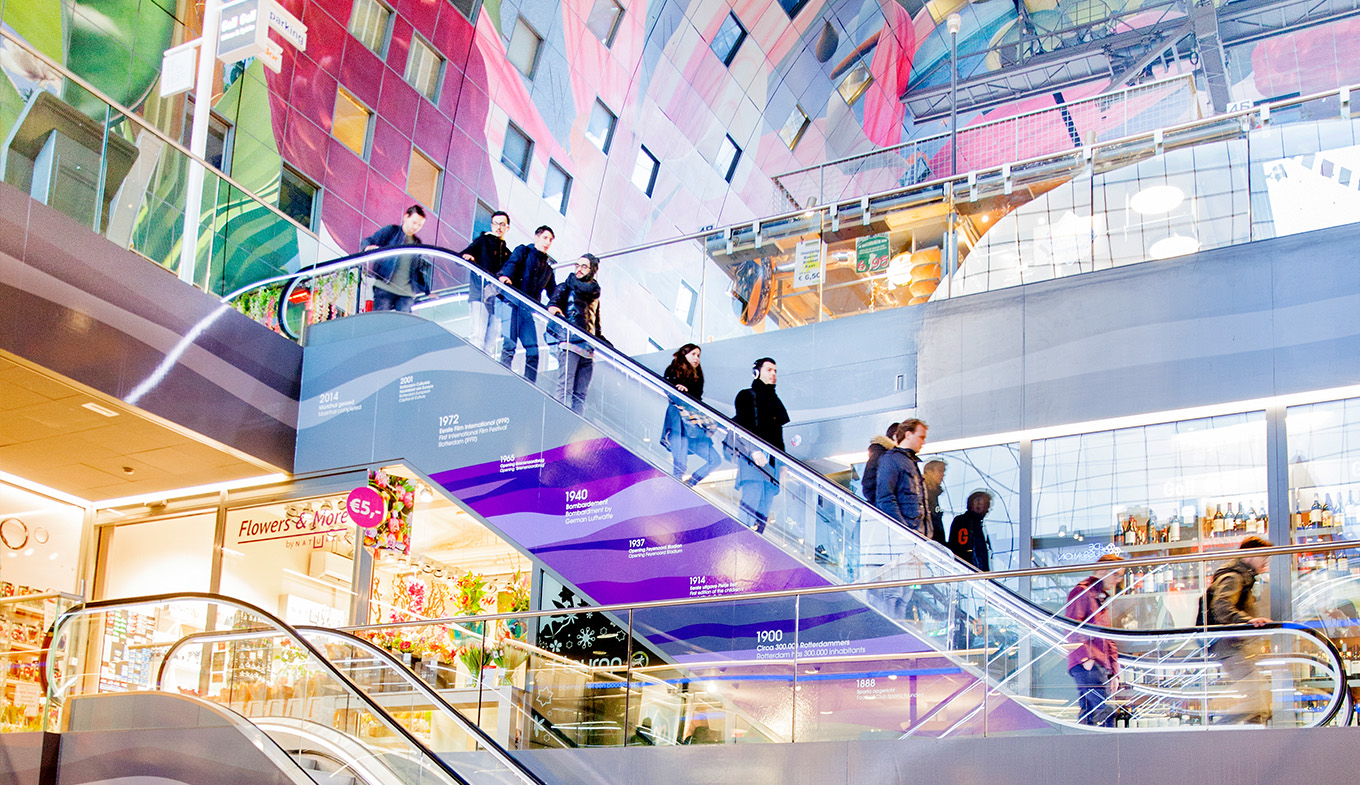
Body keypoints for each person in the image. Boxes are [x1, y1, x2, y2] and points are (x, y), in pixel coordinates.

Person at [1202, 536, 1274, 725]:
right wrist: (1249, 621)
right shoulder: (1233, 577)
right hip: (1230, 649)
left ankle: (1251, 741)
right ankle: (1215, 733)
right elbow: (1221, 606)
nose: (1266, 563)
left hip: (1233, 648)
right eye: (1263, 557)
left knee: (1260, 700)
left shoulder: (1242, 578)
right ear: (1249, 555)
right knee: (1257, 699)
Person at [1064, 553, 1126, 727]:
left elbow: (1107, 637)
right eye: (1116, 575)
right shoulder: (1083, 592)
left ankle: (1087, 751)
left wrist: (1114, 671)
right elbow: (1072, 627)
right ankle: (1110, 752)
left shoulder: (1099, 597)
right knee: (1105, 712)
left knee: (1090, 713)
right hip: (1089, 663)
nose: (1118, 580)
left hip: (1097, 663)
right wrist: (1086, 659)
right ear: (1102, 570)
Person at [733, 358, 789, 534]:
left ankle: (757, 538)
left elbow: (778, 435)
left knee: (765, 503)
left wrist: (783, 461)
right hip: (752, 457)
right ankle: (741, 538)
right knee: (752, 498)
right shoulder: (747, 395)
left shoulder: (774, 401)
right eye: (769, 370)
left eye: (775, 371)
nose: (773, 374)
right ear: (757, 372)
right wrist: (754, 451)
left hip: (772, 461)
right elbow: (742, 426)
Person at [497, 226, 556, 383]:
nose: (548, 242)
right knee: (510, 344)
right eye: (545, 238)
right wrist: (506, 277)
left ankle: (529, 383)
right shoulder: (523, 251)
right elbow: (512, 263)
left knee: (533, 351)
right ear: (536, 237)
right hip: (512, 303)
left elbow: (554, 293)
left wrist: (558, 307)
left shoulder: (548, 269)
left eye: (550, 240)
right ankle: (502, 378)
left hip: (526, 310)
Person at [547, 253, 604, 414]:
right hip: (570, 342)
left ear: (592, 270)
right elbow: (553, 305)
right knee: (565, 385)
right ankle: (558, 417)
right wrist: (558, 316)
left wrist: (605, 345)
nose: (579, 269)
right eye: (577, 265)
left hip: (588, 348)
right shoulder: (566, 286)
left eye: (583, 266)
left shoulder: (594, 295)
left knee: (581, 393)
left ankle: (575, 423)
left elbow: (596, 324)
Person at [661, 343, 722, 487]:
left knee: (715, 460)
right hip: (679, 423)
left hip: (695, 425)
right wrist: (678, 390)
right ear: (684, 354)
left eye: (698, 355)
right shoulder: (672, 370)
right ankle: (677, 490)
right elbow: (670, 394)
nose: (696, 358)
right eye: (693, 354)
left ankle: (689, 484)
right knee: (680, 465)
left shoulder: (698, 375)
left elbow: (697, 399)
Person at [361, 205, 431, 312]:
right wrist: (367, 247)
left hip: (406, 293)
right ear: (406, 217)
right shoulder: (392, 231)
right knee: (381, 321)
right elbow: (369, 240)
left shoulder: (417, 244)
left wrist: (428, 292)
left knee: (402, 325)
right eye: (414, 222)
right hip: (385, 287)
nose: (416, 227)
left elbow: (418, 272)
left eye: (419, 225)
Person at [460, 210, 511, 352]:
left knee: (491, 342)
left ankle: (482, 370)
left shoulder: (508, 253)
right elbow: (463, 255)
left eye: (502, 224)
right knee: (477, 336)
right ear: (491, 225)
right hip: (479, 294)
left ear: (507, 227)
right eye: (495, 224)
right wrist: (468, 257)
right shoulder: (482, 241)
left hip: (497, 300)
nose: (498, 227)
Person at [875, 419, 929, 538]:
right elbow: (885, 498)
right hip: (908, 534)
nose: (923, 442)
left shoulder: (909, 462)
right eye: (921, 437)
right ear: (908, 435)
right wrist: (903, 531)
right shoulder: (891, 459)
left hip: (916, 534)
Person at [948, 490, 993, 571]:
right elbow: (963, 549)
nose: (986, 510)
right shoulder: (964, 522)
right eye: (980, 505)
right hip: (969, 571)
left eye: (986, 506)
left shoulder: (979, 525)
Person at [861, 422, 898, 506]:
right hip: (884, 509)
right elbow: (868, 485)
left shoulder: (895, 456)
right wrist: (885, 505)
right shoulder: (881, 454)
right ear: (895, 436)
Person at [923, 459, 948, 546]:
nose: (942, 475)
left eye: (943, 472)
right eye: (940, 471)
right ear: (928, 472)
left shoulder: (934, 493)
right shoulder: (922, 493)